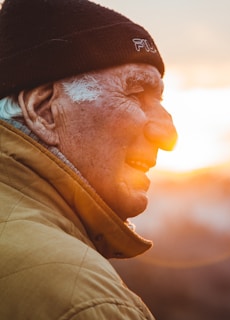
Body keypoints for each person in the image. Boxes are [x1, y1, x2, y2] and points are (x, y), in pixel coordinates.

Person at [0, 0, 177, 319]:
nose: (168, 134)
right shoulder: (86, 302)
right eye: (135, 94)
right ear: (43, 112)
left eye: (160, 101)